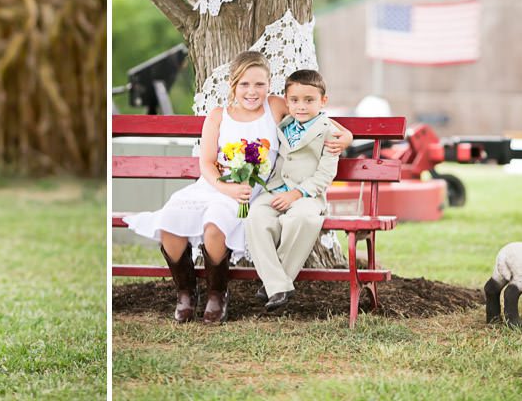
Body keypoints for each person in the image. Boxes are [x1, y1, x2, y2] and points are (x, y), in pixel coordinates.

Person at [124, 52, 352, 323]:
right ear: (233, 85)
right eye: (244, 84)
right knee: (170, 223)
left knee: (214, 226)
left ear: (269, 85)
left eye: (259, 84)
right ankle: (185, 293)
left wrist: (346, 135)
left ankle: (216, 295)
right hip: (216, 187)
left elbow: (319, 121)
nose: (252, 91)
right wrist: (224, 187)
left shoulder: (276, 106)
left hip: (249, 192)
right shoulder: (219, 116)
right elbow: (207, 163)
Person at [244, 68, 339, 311]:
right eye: (295, 100)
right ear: (286, 102)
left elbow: (325, 175)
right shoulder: (283, 125)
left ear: (323, 101)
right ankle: (280, 285)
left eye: (309, 100)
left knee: (302, 219)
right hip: (276, 189)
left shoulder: (329, 131)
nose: (301, 106)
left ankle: (274, 285)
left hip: (308, 195)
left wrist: (296, 194)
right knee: (255, 217)